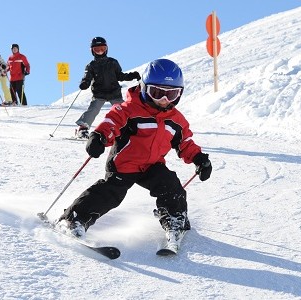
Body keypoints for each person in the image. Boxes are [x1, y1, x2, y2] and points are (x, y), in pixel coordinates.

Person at [57, 59, 213, 239]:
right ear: (144, 88)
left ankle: (175, 219)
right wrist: (99, 136)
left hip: (152, 165)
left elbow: (185, 142)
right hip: (125, 163)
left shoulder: (176, 120)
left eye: (171, 95)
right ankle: (74, 219)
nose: (163, 100)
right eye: (157, 93)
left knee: (171, 184)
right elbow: (112, 121)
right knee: (111, 193)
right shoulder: (130, 109)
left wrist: (199, 158)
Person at [74, 36, 141, 139]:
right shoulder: (91, 65)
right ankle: (82, 129)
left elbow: (120, 76)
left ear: (106, 49)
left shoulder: (113, 62)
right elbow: (87, 77)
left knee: (122, 109)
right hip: (99, 93)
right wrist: (85, 83)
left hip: (114, 92)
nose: (100, 51)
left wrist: (131, 76)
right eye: (97, 49)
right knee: (94, 109)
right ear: (92, 51)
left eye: (102, 49)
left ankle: (130, 127)